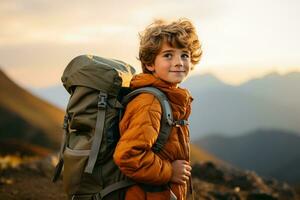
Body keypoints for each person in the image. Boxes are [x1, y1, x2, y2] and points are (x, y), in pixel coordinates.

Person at [113, 18, 202, 200]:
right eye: (168, 55)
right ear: (150, 64)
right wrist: (170, 171)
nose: (179, 62)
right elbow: (128, 156)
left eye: (184, 55)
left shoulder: (170, 98)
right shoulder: (149, 103)